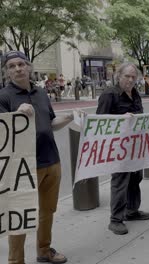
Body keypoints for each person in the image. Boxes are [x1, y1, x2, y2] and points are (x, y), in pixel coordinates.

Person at [0, 51, 75, 264]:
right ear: (7, 72)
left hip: (52, 161)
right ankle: (16, 260)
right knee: (20, 216)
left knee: (48, 210)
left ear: (29, 67)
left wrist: (68, 118)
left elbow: (50, 123)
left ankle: (44, 250)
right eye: (12, 66)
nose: (18, 69)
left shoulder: (41, 93)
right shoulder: (4, 97)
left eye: (21, 64)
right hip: (23, 167)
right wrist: (17, 116)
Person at [96, 62, 149, 235]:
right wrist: (121, 118)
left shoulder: (135, 94)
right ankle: (116, 220)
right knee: (120, 182)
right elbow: (100, 122)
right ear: (119, 76)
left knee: (136, 178)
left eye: (133, 77)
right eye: (127, 76)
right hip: (118, 148)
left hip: (135, 147)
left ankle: (131, 211)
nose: (130, 80)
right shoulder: (109, 94)